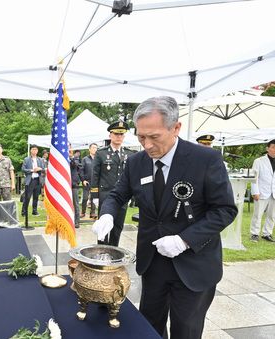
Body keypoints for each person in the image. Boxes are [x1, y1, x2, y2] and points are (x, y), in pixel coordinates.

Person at [92, 96, 237, 339]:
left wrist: (184, 240)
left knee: (186, 330)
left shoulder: (205, 160)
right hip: (154, 263)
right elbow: (117, 194)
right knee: (150, 326)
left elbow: (224, 210)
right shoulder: (136, 162)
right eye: (140, 137)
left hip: (193, 264)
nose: (147, 145)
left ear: (175, 128)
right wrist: (107, 212)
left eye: (154, 137)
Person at [90, 121, 134, 246]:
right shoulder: (101, 153)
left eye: (121, 134)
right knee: (103, 228)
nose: (118, 137)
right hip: (105, 195)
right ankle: (100, 251)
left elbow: (130, 177)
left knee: (117, 227)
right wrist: (95, 196)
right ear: (110, 135)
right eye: (116, 134)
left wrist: (130, 195)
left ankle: (114, 252)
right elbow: (95, 175)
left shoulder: (129, 154)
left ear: (124, 136)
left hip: (123, 197)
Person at [249, 139, 275, 242]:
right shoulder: (258, 161)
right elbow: (254, 178)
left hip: (274, 193)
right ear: (267, 148)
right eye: (273, 147)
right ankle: (254, 233)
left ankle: (267, 233)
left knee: (272, 215)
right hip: (261, 192)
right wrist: (255, 192)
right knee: (257, 214)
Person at [21, 145, 45, 216]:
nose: (34, 151)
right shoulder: (26, 159)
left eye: (36, 149)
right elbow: (23, 169)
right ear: (31, 150)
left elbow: (43, 169)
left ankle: (34, 210)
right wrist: (32, 170)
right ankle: (24, 211)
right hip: (30, 180)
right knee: (27, 196)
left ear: (37, 151)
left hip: (38, 180)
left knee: (36, 196)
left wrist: (39, 169)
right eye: (33, 149)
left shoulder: (40, 159)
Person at [81, 143, 98, 219]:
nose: (95, 149)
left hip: (95, 182)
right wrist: (83, 180)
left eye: (96, 148)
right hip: (87, 182)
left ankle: (93, 213)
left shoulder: (98, 159)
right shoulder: (85, 159)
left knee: (93, 198)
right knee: (85, 198)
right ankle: (83, 212)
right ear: (89, 149)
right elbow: (81, 170)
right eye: (93, 147)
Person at [70, 147, 83, 228]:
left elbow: (75, 165)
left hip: (74, 184)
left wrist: (71, 158)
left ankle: (77, 221)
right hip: (64, 183)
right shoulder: (60, 158)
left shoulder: (76, 159)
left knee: (76, 204)